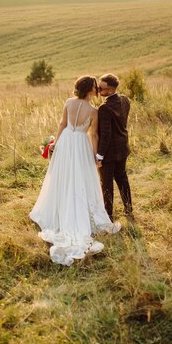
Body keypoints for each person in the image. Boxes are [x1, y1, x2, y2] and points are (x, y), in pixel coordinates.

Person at [30, 75, 121, 266]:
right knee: (80, 177)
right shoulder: (93, 111)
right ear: (90, 90)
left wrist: (56, 143)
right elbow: (94, 135)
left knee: (62, 176)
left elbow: (62, 124)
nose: (97, 90)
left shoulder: (69, 102)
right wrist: (96, 156)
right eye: (95, 87)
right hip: (80, 144)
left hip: (66, 142)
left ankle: (59, 207)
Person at [96, 73, 133, 221]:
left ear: (110, 91)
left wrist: (99, 155)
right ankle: (128, 208)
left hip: (109, 152)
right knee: (122, 178)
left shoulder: (104, 108)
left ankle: (108, 214)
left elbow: (106, 134)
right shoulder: (125, 100)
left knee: (106, 183)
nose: (98, 90)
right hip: (123, 147)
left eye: (101, 88)